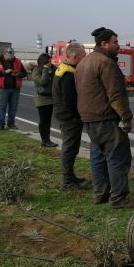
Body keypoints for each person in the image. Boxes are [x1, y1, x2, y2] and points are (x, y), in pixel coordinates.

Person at [75, 27, 134, 208]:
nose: (118, 45)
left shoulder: (84, 63)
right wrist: (126, 117)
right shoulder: (106, 63)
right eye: (115, 42)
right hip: (105, 118)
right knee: (118, 157)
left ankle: (100, 194)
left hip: (89, 117)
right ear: (104, 43)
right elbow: (115, 94)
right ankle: (118, 199)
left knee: (98, 156)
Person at [52, 42, 89, 191]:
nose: (85, 59)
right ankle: (67, 181)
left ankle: (70, 177)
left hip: (65, 115)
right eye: (83, 56)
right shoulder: (67, 74)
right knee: (69, 148)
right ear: (75, 57)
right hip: (68, 117)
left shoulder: (65, 68)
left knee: (71, 147)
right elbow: (69, 100)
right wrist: (77, 116)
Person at [0, 47, 27, 130]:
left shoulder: (17, 61)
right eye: (9, 56)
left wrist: (17, 74)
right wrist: (4, 72)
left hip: (15, 88)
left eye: (12, 56)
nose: (11, 58)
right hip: (3, 88)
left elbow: (24, 73)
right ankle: (1, 124)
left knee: (13, 107)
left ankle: (11, 124)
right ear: (4, 54)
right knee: (2, 107)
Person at [32, 53, 57, 147]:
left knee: (48, 120)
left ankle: (48, 139)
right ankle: (44, 140)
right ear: (43, 62)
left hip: (51, 97)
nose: (50, 63)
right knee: (44, 120)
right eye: (48, 61)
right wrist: (46, 70)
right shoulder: (36, 70)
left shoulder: (53, 68)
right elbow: (42, 82)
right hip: (42, 99)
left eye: (51, 61)